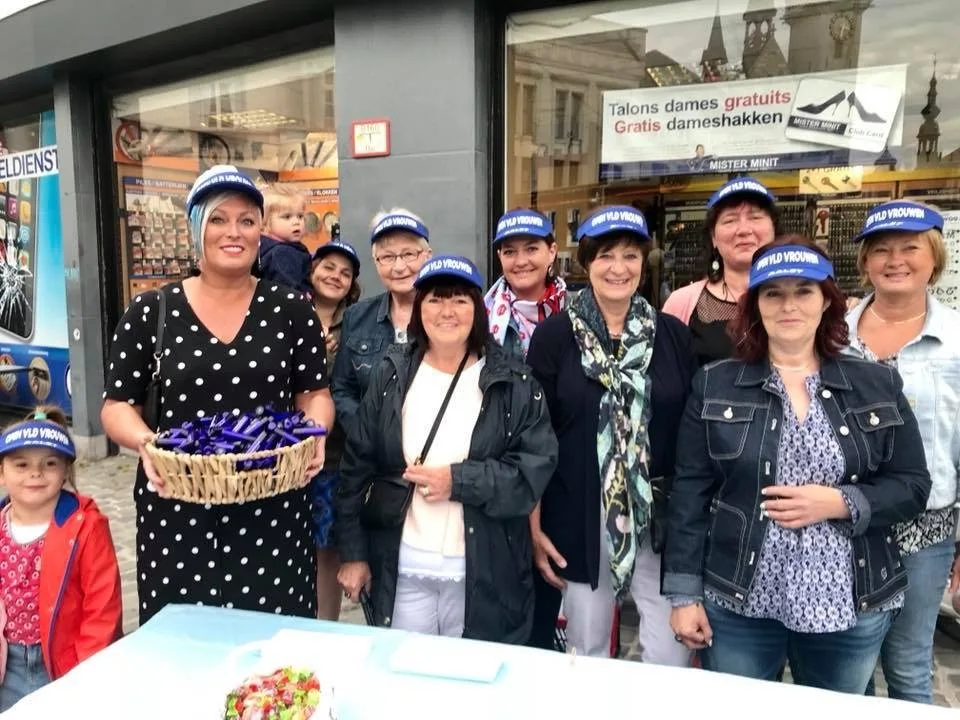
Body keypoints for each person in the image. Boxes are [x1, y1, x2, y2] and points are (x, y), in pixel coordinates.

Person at [665, 235, 932, 694]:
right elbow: (689, 493)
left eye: (804, 291)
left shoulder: (877, 382)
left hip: (849, 604)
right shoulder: (715, 384)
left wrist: (841, 502)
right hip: (739, 600)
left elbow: (912, 485)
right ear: (756, 306)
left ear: (827, 301)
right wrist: (684, 595)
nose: (789, 305)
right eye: (774, 293)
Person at [101, 165, 334, 625]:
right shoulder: (152, 311)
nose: (234, 232)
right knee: (182, 647)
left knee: (274, 650)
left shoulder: (291, 309)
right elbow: (115, 406)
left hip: (274, 509)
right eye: (218, 219)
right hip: (177, 508)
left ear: (261, 231)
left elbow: (314, 393)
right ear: (195, 228)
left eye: (247, 221)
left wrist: (316, 431)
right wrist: (146, 442)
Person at [335, 255, 558, 642]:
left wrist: (458, 481)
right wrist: (353, 553)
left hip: (483, 569)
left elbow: (531, 474)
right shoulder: (391, 373)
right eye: (436, 299)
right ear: (419, 308)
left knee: (472, 686)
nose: (447, 311)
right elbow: (357, 465)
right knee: (407, 679)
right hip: (404, 565)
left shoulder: (515, 382)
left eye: (459, 299)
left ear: (478, 308)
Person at [526, 206, 697, 664]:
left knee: (669, 656)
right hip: (578, 516)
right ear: (586, 264)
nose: (618, 268)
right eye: (604, 256)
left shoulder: (674, 338)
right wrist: (534, 524)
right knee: (587, 651)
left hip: (658, 520)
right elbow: (533, 438)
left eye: (629, 255)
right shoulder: (554, 336)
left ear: (644, 262)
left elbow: (690, 438)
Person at [844, 200, 960, 704]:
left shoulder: (955, 339)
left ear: (933, 256)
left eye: (910, 248)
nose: (895, 260)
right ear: (866, 261)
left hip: (926, 531)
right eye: (881, 250)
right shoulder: (833, 335)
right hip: (847, 524)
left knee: (909, 663)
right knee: (852, 666)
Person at [0, 407, 122, 711]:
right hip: (6, 667)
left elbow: (102, 607)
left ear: (66, 470)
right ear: (2, 471)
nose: (35, 473)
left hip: (64, 664)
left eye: (50, 463)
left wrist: (83, 673)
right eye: (21, 464)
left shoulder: (86, 526)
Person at [331, 209, 432, 441]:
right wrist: (367, 432)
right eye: (387, 257)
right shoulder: (356, 317)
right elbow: (342, 389)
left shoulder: (449, 317)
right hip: (370, 458)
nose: (398, 267)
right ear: (376, 263)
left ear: (428, 255)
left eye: (408, 254)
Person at [662, 176, 778, 365]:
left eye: (755, 217)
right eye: (730, 220)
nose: (743, 230)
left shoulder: (799, 298)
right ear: (713, 238)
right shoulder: (682, 302)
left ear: (774, 229)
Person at [308, 240, 362, 621]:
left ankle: (325, 624)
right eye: (328, 266)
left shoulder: (358, 321)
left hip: (336, 455)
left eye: (345, 272)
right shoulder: (286, 310)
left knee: (328, 548)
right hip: (287, 455)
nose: (336, 276)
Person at [484, 208, 566, 359]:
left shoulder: (577, 313)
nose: (521, 262)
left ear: (552, 252)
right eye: (510, 252)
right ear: (499, 256)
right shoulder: (480, 320)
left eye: (531, 249)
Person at [258, 183, 313, 295]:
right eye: (287, 217)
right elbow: (289, 291)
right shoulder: (282, 253)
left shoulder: (268, 249)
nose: (296, 222)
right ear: (265, 224)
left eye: (300, 216)